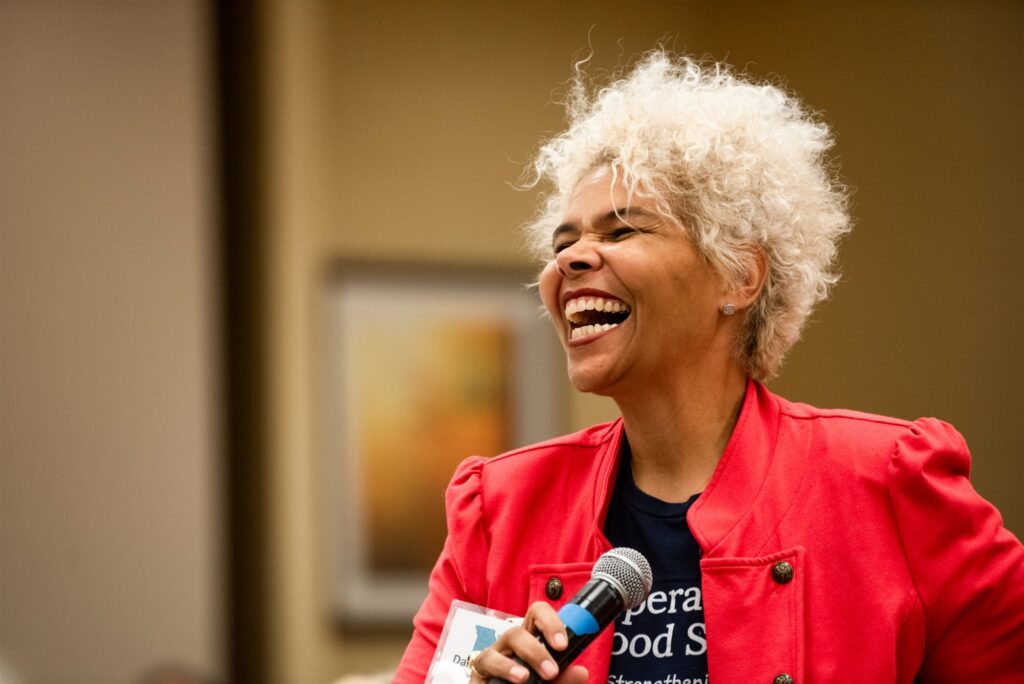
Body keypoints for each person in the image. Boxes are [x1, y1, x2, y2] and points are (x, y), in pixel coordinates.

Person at [395, 52, 1024, 683]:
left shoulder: (891, 486)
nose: (573, 260)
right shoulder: (498, 511)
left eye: (621, 232)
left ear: (738, 276)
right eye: (563, 244)